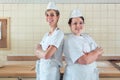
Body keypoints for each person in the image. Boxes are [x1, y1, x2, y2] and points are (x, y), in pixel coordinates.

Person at [63, 9, 104, 80]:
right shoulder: (70, 40)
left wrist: (89, 55)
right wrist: (95, 52)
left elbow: (101, 52)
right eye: (75, 23)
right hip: (76, 76)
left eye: (81, 23)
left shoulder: (87, 37)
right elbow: (84, 60)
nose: (78, 26)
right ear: (70, 25)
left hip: (90, 76)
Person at [34, 2, 64, 80]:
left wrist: (41, 52)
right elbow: (37, 50)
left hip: (51, 73)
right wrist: (41, 51)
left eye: (52, 15)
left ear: (58, 16)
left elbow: (46, 55)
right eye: (47, 15)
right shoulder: (46, 35)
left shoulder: (59, 33)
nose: (49, 17)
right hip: (42, 71)